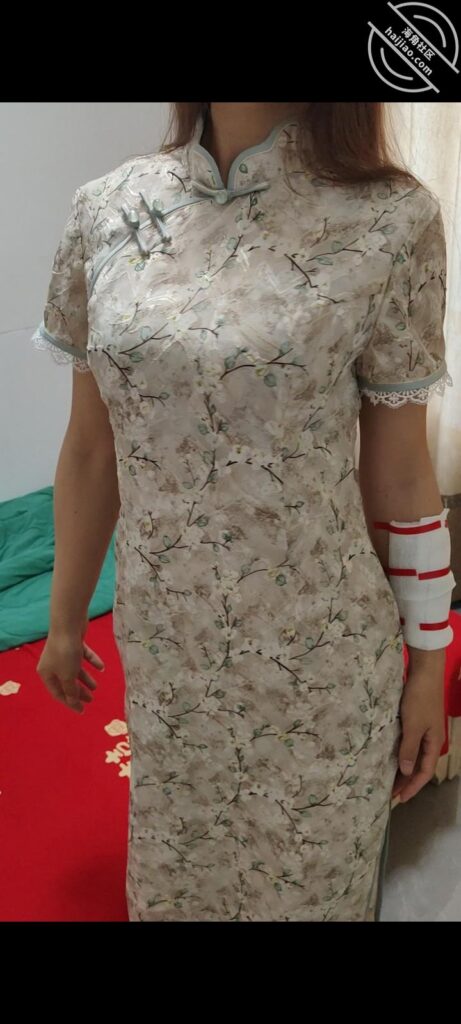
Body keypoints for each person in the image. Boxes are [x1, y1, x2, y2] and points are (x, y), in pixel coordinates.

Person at [33, 102, 455, 922]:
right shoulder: (106, 211)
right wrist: (64, 619)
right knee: (177, 886)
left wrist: (430, 663)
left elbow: (402, 473)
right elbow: (90, 447)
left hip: (322, 661)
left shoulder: (389, 219)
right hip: (170, 657)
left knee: (309, 893)